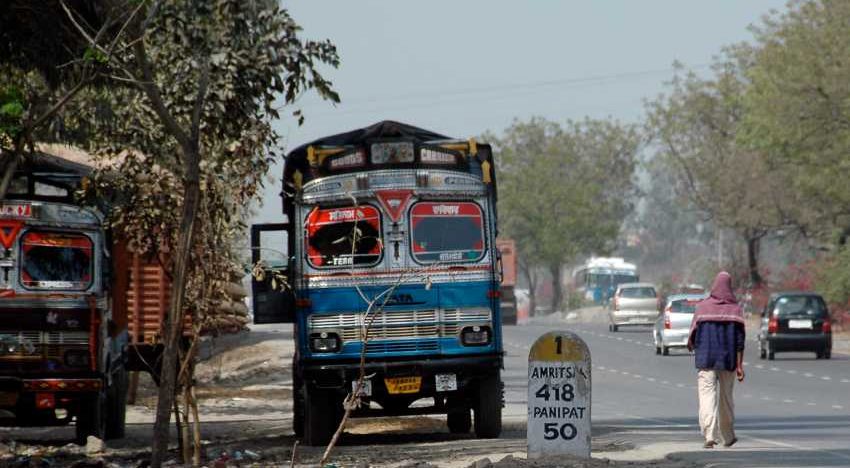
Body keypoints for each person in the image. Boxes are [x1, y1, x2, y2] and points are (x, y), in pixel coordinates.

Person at [687, 271, 746, 449]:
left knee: (706, 396)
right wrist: (740, 365)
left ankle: (709, 435)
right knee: (726, 399)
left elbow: (693, 335)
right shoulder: (735, 310)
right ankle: (727, 437)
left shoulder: (702, 308)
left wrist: (694, 346)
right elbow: (739, 342)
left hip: (705, 360)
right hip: (727, 361)